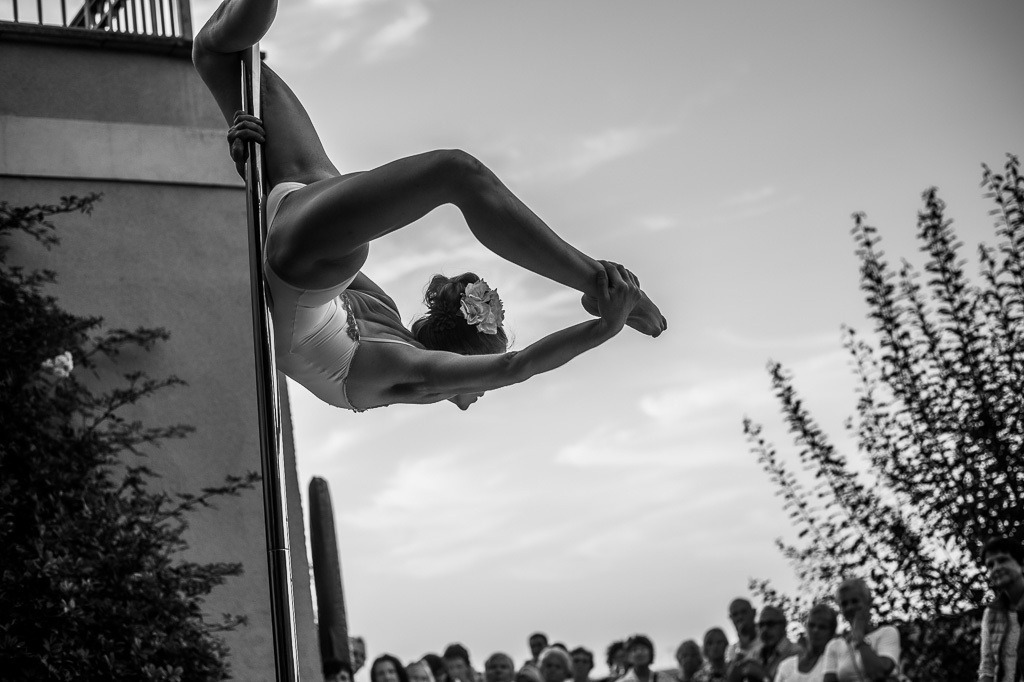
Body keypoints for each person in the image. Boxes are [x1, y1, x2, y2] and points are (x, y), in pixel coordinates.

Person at [190, 0, 667, 414]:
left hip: (298, 234)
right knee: (218, 51)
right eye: (477, 383)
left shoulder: (402, 362)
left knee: (217, 52)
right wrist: (606, 325)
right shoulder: (402, 349)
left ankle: (597, 280)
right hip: (302, 230)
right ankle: (599, 282)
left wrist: (252, 177)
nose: (478, 394)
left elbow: (515, 366)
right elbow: (515, 367)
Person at [822, 578, 899, 681]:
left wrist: (859, 637)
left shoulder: (887, 632)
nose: (850, 607)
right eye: (844, 604)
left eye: (855, 601)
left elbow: (879, 672)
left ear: (868, 603)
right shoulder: (834, 645)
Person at [979, 536, 1024, 682]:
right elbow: (987, 667)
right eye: (990, 565)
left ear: (1021, 564)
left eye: (1003, 560)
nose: (996, 568)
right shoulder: (992, 612)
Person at [729, 605, 801, 681]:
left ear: (783, 625)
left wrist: (761, 675)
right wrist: (742, 648)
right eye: (761, 625)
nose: (765, 629)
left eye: (770, 624)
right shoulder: (757, 654)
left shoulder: (796, 653)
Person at [774, 604, 838, 682]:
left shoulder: (834, 666)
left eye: (822, 627)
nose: (815, 630)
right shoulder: (786, 666)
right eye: (811, 625)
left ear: (831, 633)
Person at [726, 599, 760, 664]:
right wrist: (742, 649)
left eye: (744, 612)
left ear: (753, 613)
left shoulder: (767, 639)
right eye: (735, 614)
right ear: (731, 618)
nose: (740, 617)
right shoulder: (732, 650)